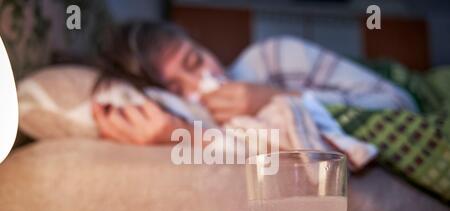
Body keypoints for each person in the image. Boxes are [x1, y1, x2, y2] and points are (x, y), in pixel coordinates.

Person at [93, 22, 415, 145]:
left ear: (200, 43)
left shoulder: (272, 57)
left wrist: (275, 97)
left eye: (195, 61)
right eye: (177, 90)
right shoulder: (191, 119)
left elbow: (402, 105)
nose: (201, 84)